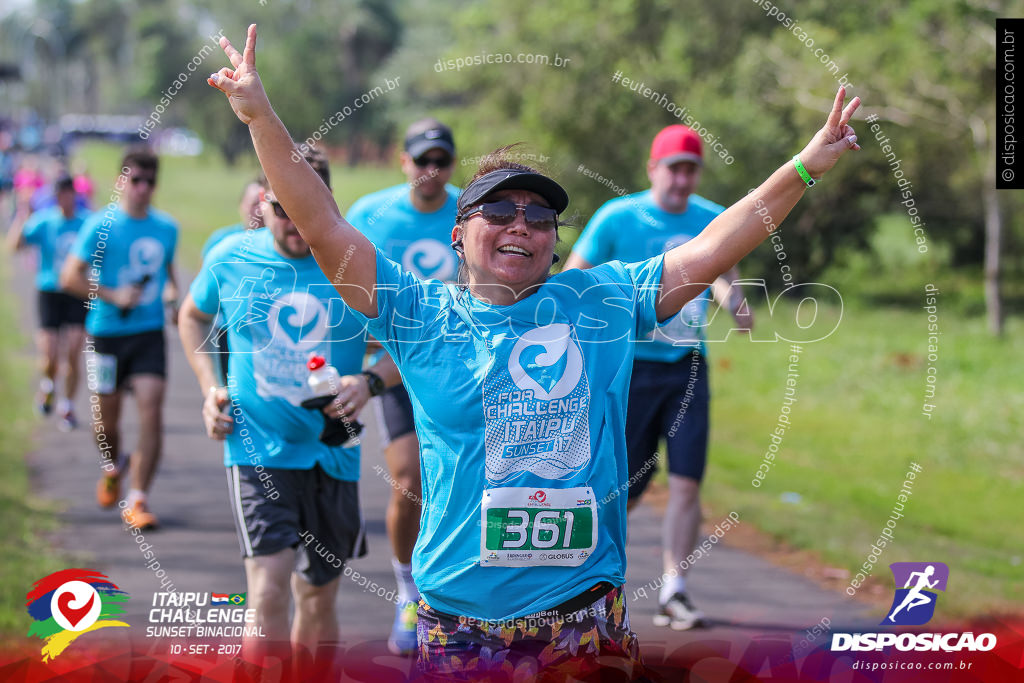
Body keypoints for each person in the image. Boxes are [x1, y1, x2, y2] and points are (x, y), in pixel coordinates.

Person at [207, 24, 860, 678]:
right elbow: (320, 221)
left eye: (540, 217)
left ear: (553, 241)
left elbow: (719, 242)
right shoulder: (416, 310)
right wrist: (260, 115)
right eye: (501, 211)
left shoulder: (601, 300)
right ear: (460, 235)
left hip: (581, 617)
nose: (522, 223)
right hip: (457, 619)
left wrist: (807, 163)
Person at [178, 148, 400, 666]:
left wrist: (367, 382)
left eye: (307, 210)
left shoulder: (358, 265)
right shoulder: (232, 257)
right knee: (268, 591)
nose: (296, 223)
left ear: (327, 206)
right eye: (283, 209)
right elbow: (192, 317)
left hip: (333, 454)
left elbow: (408, 342)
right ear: (263, 202)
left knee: (317, 600)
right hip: (257, 449)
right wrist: (211, 386)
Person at [564, 124, 753, 630]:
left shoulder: (712, 217)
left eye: (692, 169)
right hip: (628, 366)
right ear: (653, 169)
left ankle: (675, 588)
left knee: (688, 480)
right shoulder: (618, 217)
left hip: (686, 365)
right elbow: (573, 279)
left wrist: (734, 301)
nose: (683, 180)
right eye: (675, 168)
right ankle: (589, 582)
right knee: (622, 483)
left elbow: (718, 271)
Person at [345, 117, 460, 655]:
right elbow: (341, 282)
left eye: (440, 161)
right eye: (421, 161)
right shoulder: (371, 213)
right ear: (403, 161)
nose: (430, 172)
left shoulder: (474, 211)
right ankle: (407, 591)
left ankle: (459, 595)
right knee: (409, 478)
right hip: (391, 364)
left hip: (460, 365)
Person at [60, 147, 179, 530]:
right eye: (135, 180)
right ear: (120, 182)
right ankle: (113, 467)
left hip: (148, 333)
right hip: (106, 334)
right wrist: (113, 295)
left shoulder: (166, 228)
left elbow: (169, 272)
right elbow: (69, 277)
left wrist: (174, 295)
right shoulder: (100, 226)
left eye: (150, 181)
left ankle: (139, 498)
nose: (142, 188)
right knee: (105, 423)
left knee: (151, 407)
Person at [6, 175, 90, 430]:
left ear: (74, 195)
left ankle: (68, 406)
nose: (65, 199)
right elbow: (15, 246)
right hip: (49, 291)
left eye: (69, 193)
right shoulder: (44, 222)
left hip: (76, 292)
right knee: (50, 355)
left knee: (74, 352)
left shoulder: (87, 222)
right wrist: (22, 214)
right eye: (60, 194)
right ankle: (48, 385)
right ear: (55, 197)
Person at [201, 180, 264, 261]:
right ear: (241, 205)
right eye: (254, 204)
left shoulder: (278, 247)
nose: (260, 211)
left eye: (264, 204)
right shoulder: (219, 240)